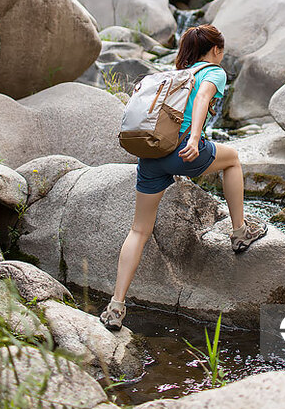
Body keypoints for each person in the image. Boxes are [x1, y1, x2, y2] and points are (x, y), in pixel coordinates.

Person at [100, 24, 268, 331]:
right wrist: (193, 139)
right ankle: (240, 231)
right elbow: (203, 99)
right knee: (232, 161)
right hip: (183, 150)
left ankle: (116, 305)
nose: (222, 54)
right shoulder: (212, 72)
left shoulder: (175, 75)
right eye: (222, 49)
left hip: (151, 154)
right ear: (216, 50)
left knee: (139, 230)